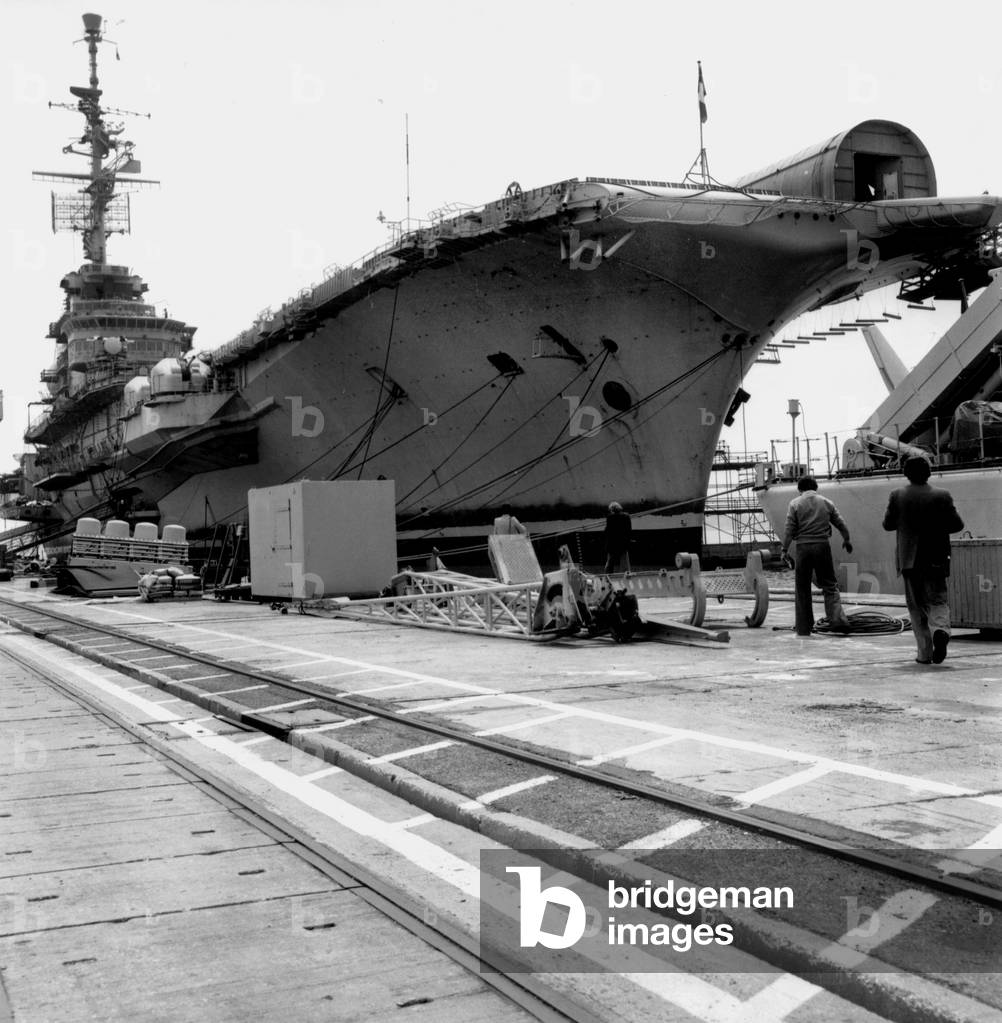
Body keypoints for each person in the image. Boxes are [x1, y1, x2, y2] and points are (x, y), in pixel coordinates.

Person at [882, 455, 964, 665]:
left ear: (906, 473)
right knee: (938, 600)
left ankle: (925, 654)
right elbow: (957, 525)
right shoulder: (942, 495)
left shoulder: (897, 495)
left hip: (909, 559)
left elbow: (888, 525)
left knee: (916, 607)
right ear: (929, 472)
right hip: (936, 557)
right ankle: (941, 631)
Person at [781, 476, 853, 636]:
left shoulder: (795, 504)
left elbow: (789, 531)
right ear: (816, 487)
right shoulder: (827, 502)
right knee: (829, 584)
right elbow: (841, 523)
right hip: (822, 546)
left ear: (800, 489)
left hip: (803, 548)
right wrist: (846, 539)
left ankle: (804, 627)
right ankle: (838, 621)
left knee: (802, 587)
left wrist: (784, 550)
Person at [603, 501, 632, 573]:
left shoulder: (610, 517)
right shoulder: (626, 516)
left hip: (612, 543)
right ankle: (626, 575)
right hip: (623, 542)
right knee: (624, 562)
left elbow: (607, 531)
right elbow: (629, 530)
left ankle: (608, 575)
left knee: (610, 562)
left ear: (612, 509)